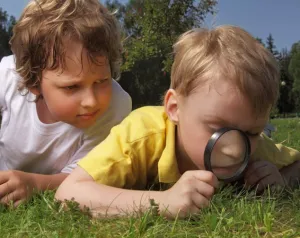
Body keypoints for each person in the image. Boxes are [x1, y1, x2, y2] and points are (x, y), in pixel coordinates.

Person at [55, 26, 300, 219]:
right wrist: (163, 203)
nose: (236, 150)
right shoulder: (141, 135)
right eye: (216, 129)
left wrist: (280, 181)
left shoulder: (254, 145)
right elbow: (68, 194)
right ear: (174, 108)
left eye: (252, 132)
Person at [0, 0, 132, 206]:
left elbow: (83, 179)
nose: (91, 101)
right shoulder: (6, 78)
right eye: (71, 87)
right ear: (33, 82)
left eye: (101, 81)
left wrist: (34, 183)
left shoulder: (115, 106)